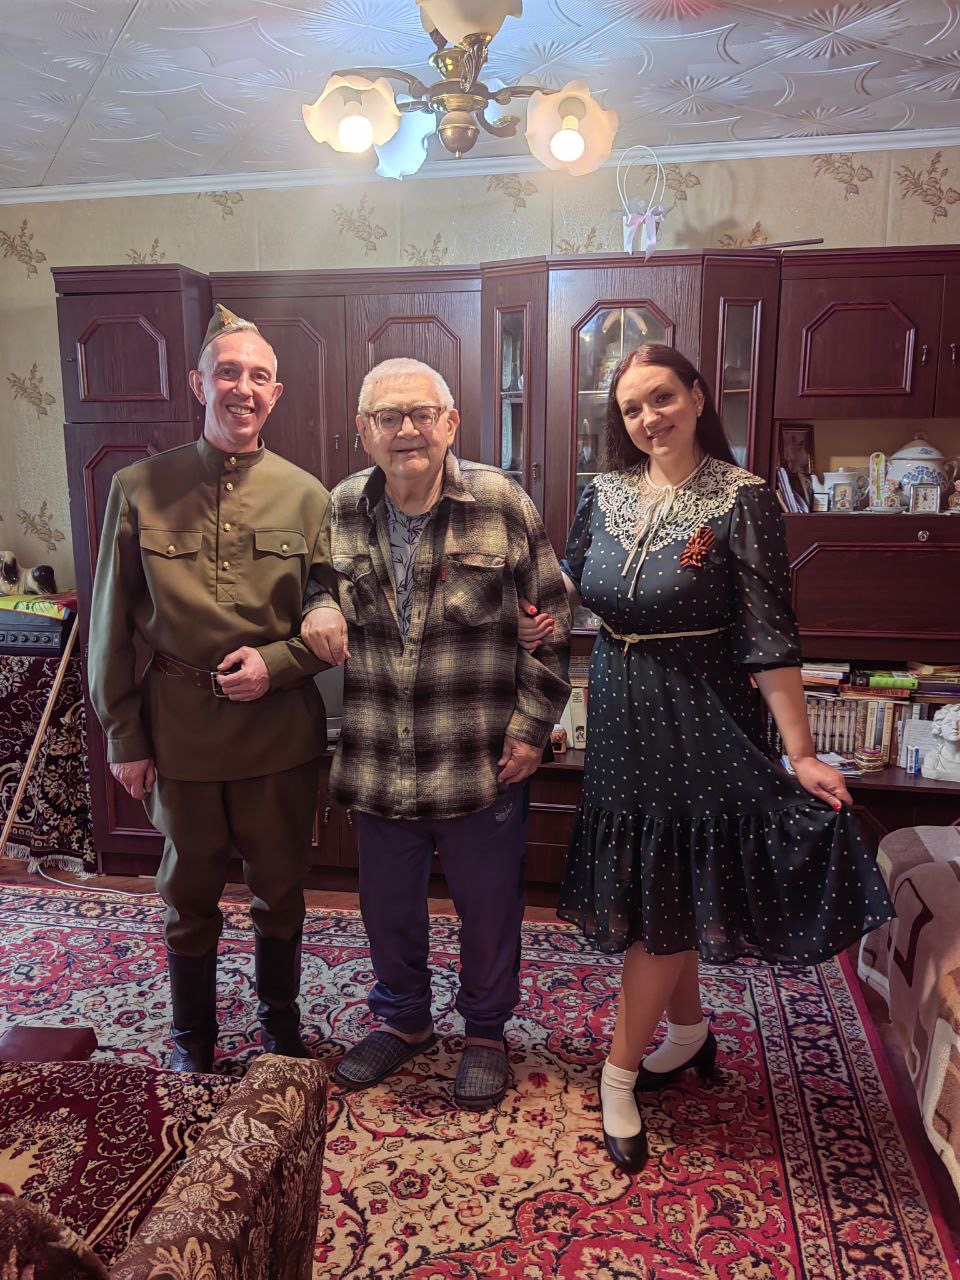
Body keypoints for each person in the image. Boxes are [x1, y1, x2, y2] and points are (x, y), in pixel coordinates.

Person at [519, 343, 893, 1172]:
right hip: (622, 711)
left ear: (695, 396)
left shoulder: (743, 498)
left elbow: (769, 636)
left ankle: (618, 1073)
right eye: (631, 408)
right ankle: (688, 1034)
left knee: (665, 889)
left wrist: (801, 753)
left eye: (662, 398)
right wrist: (543, 615)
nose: (648, 418)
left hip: (702, 717)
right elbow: (573, 580)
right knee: (667, 884)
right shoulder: (603, 492)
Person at [301, 357, 571, 1109]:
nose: (407, 430)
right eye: (388, 417)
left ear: (451, 423)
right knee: (387, 910)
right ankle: (405, 1020)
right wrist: (315, 607)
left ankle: (485, 1032)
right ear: (364, 431)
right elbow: (314, 588)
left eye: (423, 414)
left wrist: (531, 729)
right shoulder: (341, 506)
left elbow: (553, 617)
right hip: (380, 758)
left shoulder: (500, 502)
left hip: (480, 759)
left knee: (490, 909)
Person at [88, 305, 337, 1072]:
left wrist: (279, 664)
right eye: (228, 372)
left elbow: (333, 620)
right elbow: (109, 622)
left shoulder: (309, 497)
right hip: (180, 732)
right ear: (199, 384)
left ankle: (279, 1027)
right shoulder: (138, 487)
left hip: (279, 735)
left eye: (259, 376)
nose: (243, 388)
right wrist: (124, 736)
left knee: (280, 892)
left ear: (276, 393)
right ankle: (191, 1040)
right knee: (187, 895)